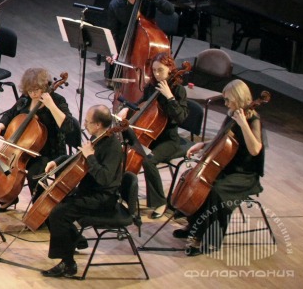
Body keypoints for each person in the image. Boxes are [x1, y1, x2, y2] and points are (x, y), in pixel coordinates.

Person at [174, 79, 265, 256]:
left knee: (216, 192)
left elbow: (255, 149)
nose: (226, 104)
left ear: (240, 98)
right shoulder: (232, 113)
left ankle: (206, 238)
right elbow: (223, 140)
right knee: (201, 185)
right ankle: (193, 226)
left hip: (245, 174)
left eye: (228, 100)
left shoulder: (253, 119)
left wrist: (243, 125)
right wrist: (203, 145)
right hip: (227, 166)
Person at [41, 105, 124, 278]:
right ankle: (74, 242)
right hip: (90, 192)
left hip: (103, 199)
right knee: (54, 204)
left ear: (98, 125)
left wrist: (90, 156)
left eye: (87, 122)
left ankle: (68, 264)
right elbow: (79, 158)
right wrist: (58, 162)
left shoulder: (113, 147)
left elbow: (104, 178)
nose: (84, 125)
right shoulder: (97, 138)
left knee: (58, 213)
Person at [0, 67, 79, 210]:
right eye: (30, 90)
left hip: (48, 151)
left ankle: (40, 210)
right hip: (23, 149)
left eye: (36, 90)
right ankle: (9, 197)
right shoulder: (25, 99)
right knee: (2, 166)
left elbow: (69, 126)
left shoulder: (57, 100)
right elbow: (10, 114)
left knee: (34, 175)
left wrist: (51, 106)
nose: (33, 94)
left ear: (45, 86)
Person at [126, 54, 189, 218]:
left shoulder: (178, 90)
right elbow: (140, 106)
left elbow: (181, 118)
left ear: (170, 69)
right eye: (154, 70)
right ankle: (122, 193)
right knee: (125, 147)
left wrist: (170, 97)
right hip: (150, 135)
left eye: (160, 70)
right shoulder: (152, 87)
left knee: (149, 160)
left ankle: (160, 202)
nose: (157, 74)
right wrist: (127, 109)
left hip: (169, 140)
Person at [105, 0, 175, 59]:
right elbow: (113, 32)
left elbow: (170, 10)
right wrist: (112, 51)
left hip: (147, 45)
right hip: (125, 47)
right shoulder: (115, 4)